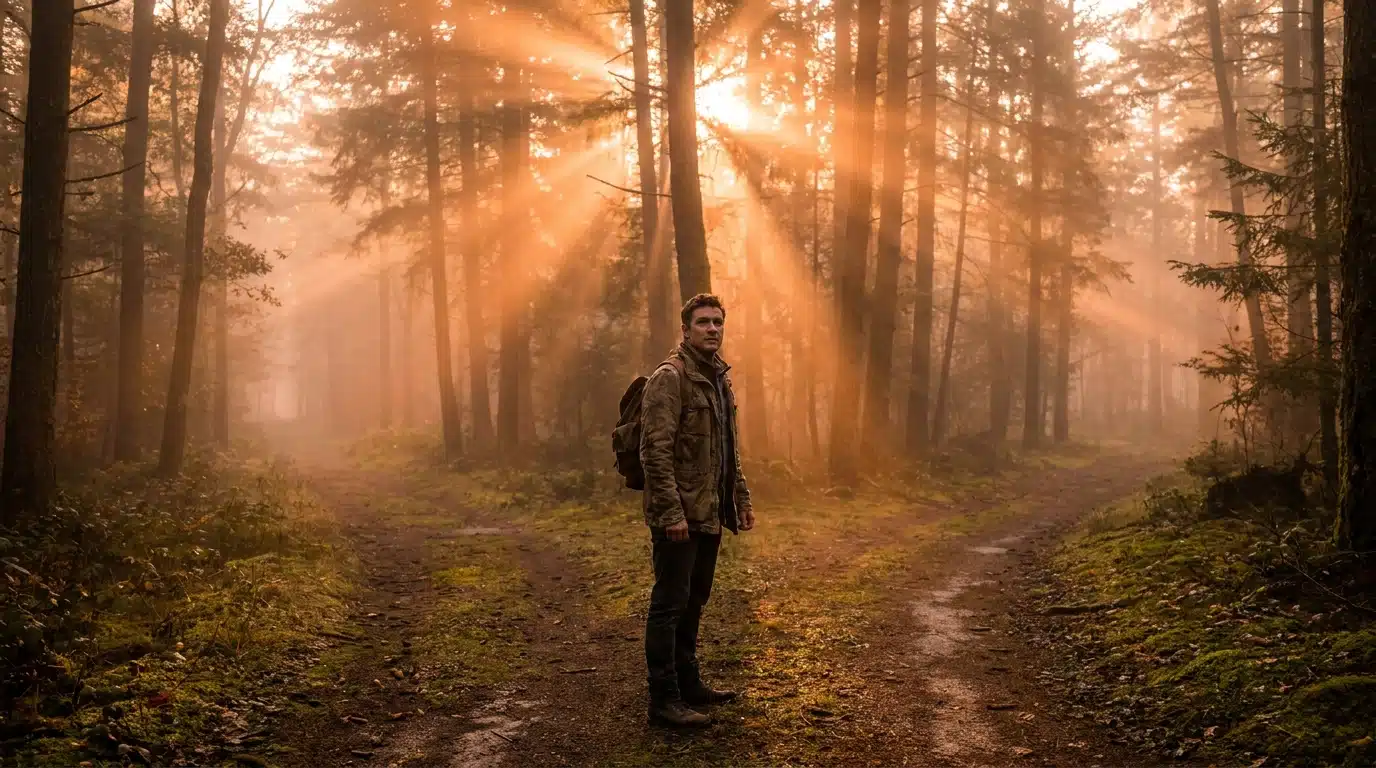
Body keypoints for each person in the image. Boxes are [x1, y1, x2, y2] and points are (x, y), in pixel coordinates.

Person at [639, 293, 755, 728]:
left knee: (694, 602)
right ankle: (663, 699)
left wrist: (740, 499)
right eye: (704, 322)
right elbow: (656, 451)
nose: (712, 329)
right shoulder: (670, 378)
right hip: (680, 519)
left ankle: (689, 685)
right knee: (669, 605)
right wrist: (670, 514)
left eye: (718, 322)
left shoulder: (718, 379)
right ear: (685, 329)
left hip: (708, 514)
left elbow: (728, 449)